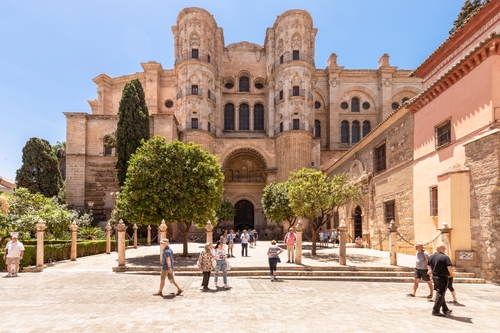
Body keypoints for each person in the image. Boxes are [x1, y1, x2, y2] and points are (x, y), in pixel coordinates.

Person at [427, 243, 453, 316]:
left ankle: (445, 309)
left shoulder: (431, 257)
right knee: (441, 293)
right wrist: (451, 271)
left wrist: (430, 270)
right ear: (443, 249)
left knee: (440, 293)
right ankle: (435, 310)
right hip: (442, 277)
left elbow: (428, 266)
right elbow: (449, 268)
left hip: (434, 276)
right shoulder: (445, 258)